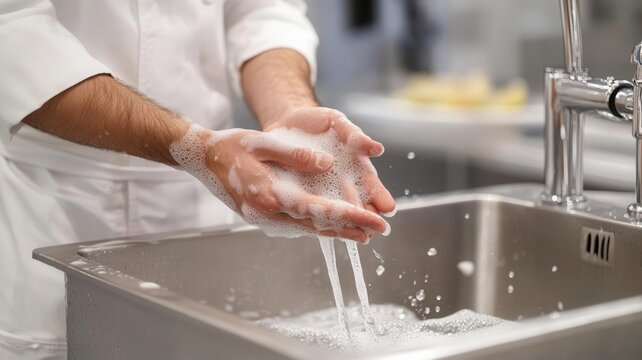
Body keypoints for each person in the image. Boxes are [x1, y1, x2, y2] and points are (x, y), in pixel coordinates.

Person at [0, 0, 395, 359]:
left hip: (211, 208)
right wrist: (197, 149)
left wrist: (289, 111)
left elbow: (261, 12)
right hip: (57, 210)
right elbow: (14, 31)